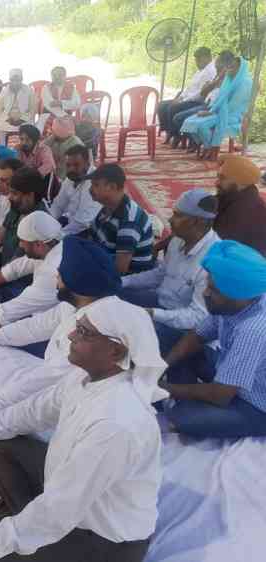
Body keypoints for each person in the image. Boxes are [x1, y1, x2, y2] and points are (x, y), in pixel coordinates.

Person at [0, 297, 164, 562]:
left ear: (116, 353)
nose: (71, 335)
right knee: (0, 443)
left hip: (101, 541)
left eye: (84, 332)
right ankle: (22, 524)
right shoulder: (85, 376)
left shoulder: (116, 425)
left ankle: (19, 529)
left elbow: (62, 505)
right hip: (68, 497)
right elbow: (34, 410)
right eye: (77, 326)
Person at [0, 236, 122, 392]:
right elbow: (35, 326)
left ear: (75, 284)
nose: (56, 280)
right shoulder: (75, 304)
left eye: (61, 277)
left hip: (52, 394)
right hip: (46, 372)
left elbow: (40, 390)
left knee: (6, 390)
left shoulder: (91, 337)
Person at [161, 240, 266, 438]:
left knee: (183, 419)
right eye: (209, 285)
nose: (205, 293)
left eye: (213, 290)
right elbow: (198, 335)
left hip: (255, 405)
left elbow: (221, 395)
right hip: (228, 371)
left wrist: (165, 388)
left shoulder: (253, 329)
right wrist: (162, 366)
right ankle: (186, 396)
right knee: (168, 336)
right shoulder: (235, 300)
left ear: (240, 297)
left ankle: (183, 400)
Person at [120, 189, 218, 354]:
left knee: (129, 331)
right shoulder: (178, 240)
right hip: (161, 303)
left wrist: (152, 314)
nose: (170, 220)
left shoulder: (213, 260)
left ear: (199, 222)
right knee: (113, 294)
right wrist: (123, 282)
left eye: (178, 215)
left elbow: (197, 318)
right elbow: (159, 274)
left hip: (185, 329)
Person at [0, 212, 63, 332]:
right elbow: (15, 268)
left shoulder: (52, 272)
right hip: (43, 314)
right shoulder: (52, 245)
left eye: (23, 241)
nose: (20, 245)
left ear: (38, 244)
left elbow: (10, 310)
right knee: (1, 295)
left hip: (51, 332)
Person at [180, 52, 252, 161]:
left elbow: (233, 106)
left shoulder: (246, 83)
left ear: (240, 69)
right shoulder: (229, 80)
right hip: (219, 111)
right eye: (229, 66)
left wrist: (211, 112)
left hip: (233, 115)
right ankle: (209, 147)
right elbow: (219, 99)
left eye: (233, 67)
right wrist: (212, 110)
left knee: (201, 126)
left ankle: (211, 149)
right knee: (190, 121)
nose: (229, 69)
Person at [89, 164, 155, 274]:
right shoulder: (107, 208)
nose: (90, 189)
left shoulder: (129, 222)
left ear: (112, 187)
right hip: (103, 263)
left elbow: (119, 270)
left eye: (95, 185)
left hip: (129, 281)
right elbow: (91, 240)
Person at [158, 47, 216, 144]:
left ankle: (177, 135)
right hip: (188, 98)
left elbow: (199, 94)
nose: (197, 62)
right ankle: (169, 132)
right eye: (196, 60)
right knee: (161, 105)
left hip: (196, 101)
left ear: (207, 58)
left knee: (173, 108)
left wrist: (183, 100)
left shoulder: (210, 71)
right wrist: (180, 97)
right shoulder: (199, 71)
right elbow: (189, 88)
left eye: (199, 59)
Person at [213, 154, 266, 255]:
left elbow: (220, 246)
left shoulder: (244, 210)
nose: (216, 183)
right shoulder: (233, 195)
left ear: (240, 183)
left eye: (222, 178)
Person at [170, 53, 226, 149]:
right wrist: (215, 81)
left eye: (217, 62)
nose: (215, 64)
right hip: (205, 104)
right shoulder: (215, 76)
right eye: (215, 62)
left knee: (178, 117)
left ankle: (197, 142)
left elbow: (221, 101)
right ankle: (191, 140)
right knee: (174, 112)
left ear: (224, 64)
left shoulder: (225, 79)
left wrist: (210, 111)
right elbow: (203, 93)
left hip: (210, 108)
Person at [47, 144, 99, 236]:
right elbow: (58, 205)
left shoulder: (95, 183)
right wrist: (47, 222)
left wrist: (57, 236)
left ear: (87, 164)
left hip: (89, 230)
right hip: (71, 222)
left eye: (76, 165)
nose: (71, 169)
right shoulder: (71, 178)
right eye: (68, 165)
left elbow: (83, 222)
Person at [0, 69, 36, 146]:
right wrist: (7, 119)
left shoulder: (29, 90)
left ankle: (25, 153)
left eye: (18, 80)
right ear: (10, 80)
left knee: (29, 131)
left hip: (24, 120)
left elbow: (33, 110)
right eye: (13, 80)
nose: (15, 82)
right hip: (7, 120)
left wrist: (22, 119)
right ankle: (1, 150)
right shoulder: (4, 91)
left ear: (22, 79)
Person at [37, 66, 80, 132]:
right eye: (54, 75)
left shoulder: (71, 88)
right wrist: (65, 116)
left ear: (65, 76)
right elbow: (50, 105)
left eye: (60, 75)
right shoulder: (46, 88)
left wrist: (61, 103)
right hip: (48, 115)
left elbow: (77, 103)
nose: (57, 77)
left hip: (67, 116)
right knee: (40, 129)